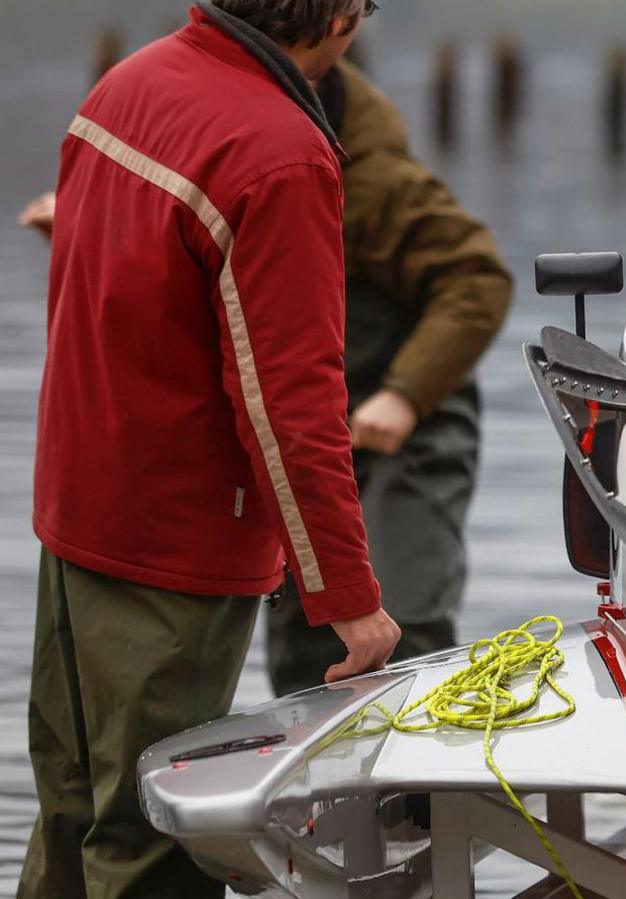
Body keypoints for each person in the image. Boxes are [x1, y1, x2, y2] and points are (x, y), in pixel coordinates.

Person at [26, 1, 401, 896]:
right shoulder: (281, 153)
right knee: (158, 837)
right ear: (341, 15)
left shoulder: (129, 82)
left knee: (72, 815)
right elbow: (290, 401)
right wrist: (348, 598)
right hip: (173, 550)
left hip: (74, 513)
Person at [265, 59, 513, 696]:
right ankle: (311, 785)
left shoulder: (377, 184)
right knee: (303, 629)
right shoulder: (263, 173)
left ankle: (421, 786)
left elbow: (478, 281)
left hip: (411, 434)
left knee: (404, 619)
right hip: (312, 440)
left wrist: (403, 396)